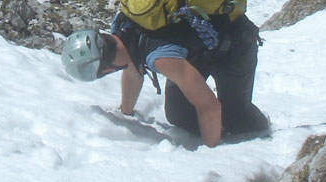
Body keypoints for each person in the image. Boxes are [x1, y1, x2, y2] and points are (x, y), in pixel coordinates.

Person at [61, 10, 269, 148]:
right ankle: (219, 128)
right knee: (179, 115)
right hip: (199, 49)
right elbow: (133, 71)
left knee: (235, 117)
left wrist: (211, 155)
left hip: (234, 44)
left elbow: (210, 106)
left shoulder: (161, 59)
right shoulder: (122, 27)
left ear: (105, 71)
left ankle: (262, 128)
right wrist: (126, 112)